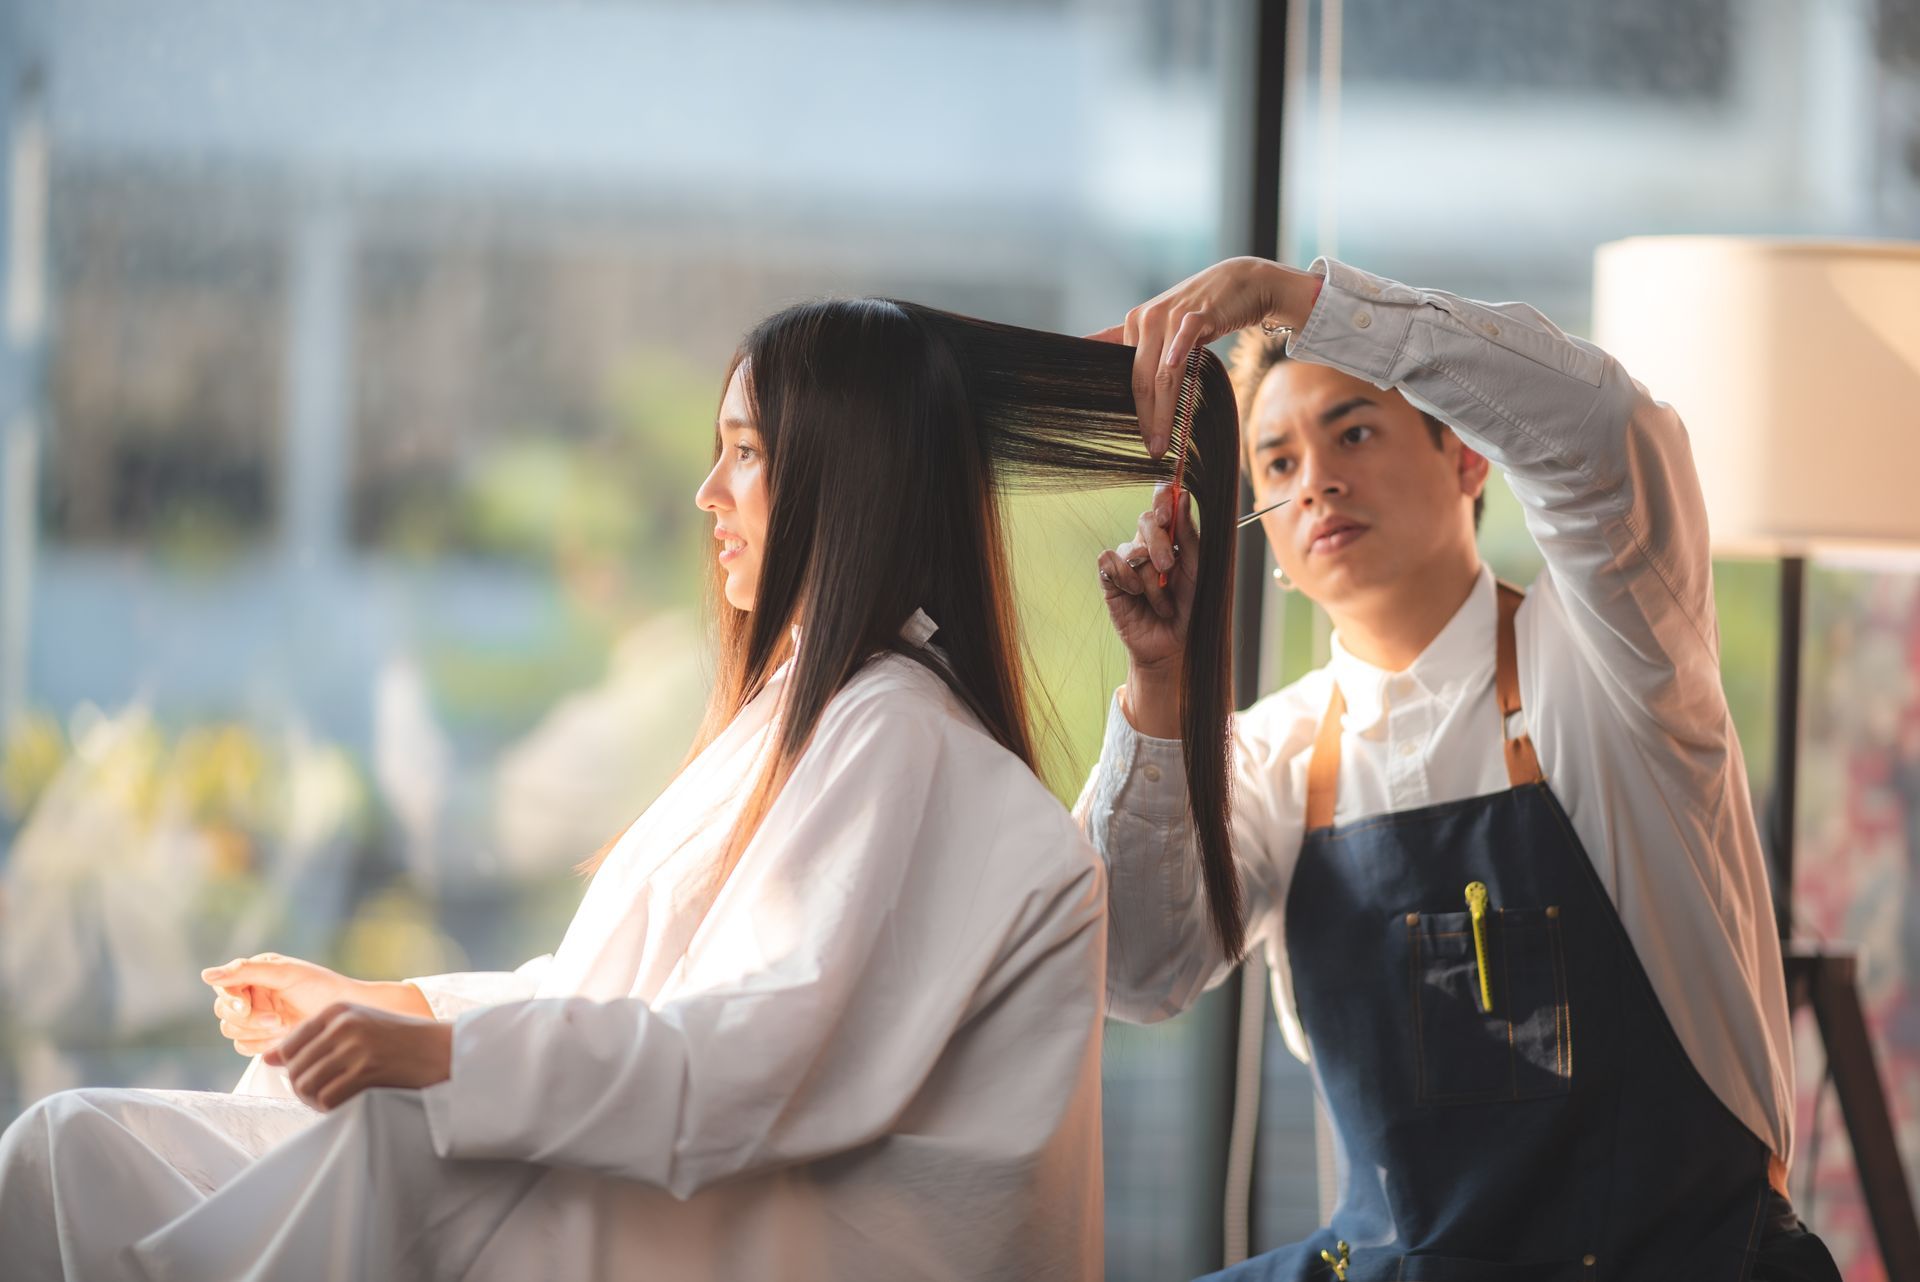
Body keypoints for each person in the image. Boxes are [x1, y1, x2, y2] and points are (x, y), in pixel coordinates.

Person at [0, 298, 1245, 1282]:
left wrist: (430, 1052)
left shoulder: (894, 737)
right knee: (80, 1155)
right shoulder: (810, 724)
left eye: (746, 456)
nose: (708, 495)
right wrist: (391, 1003)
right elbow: (624, 1001)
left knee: (84, 1159)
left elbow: (738, 1056)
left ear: (843, 481)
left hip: (735, 1235)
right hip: (680, 1206)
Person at [1081, 255, 1843, 1280]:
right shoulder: (1269, 755)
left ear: (1468, 460)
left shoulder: (1616, 672)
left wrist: (1300, 302)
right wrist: (1161, 690)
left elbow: (1610, 441)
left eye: (1353, 429)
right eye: (1277, 463)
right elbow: (1131, 966)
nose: (1318, 481)